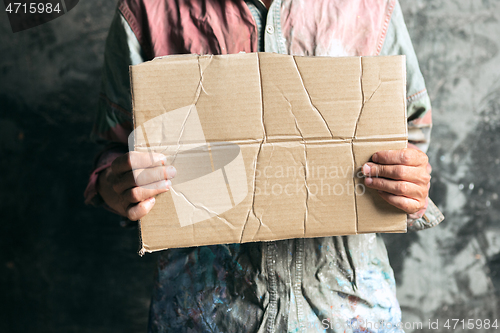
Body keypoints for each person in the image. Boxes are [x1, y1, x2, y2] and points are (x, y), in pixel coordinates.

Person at [84, 0, 444, 332]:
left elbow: (409, 136)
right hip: (205, 314)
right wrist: (117, 184)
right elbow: (116, 147)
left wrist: (408, 180)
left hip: (347, 309)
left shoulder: (369, 6)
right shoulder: (148, 8)